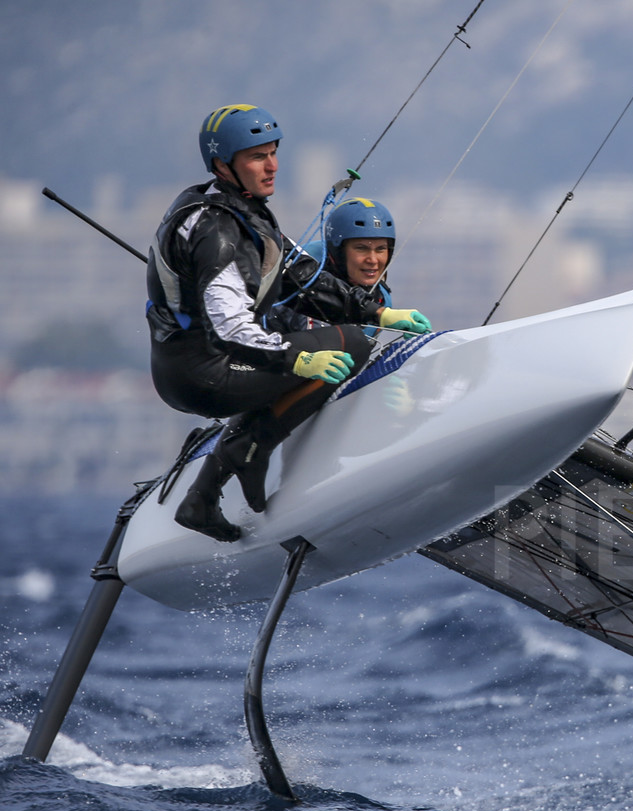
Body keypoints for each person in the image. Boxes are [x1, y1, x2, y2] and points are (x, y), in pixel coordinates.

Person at [145, 104, 430, 542]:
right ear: (224, 163)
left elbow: (297, 272)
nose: (272, 165)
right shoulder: (218, 230)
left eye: (274, 152)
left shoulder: (239, 208)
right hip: (203, 371)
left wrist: (379, 312)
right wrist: (297, 360)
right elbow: (230, 329)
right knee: (349, 345)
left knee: (340, 336)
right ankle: (250, 451)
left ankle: (201, 500)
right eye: (257, 156)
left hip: (194, 364)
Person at [280, 196, 429, 339]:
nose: (373, 260)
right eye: (361, 248)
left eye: (380, 249)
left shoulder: (381, 298)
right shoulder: (300, 278)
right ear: (338, 252)